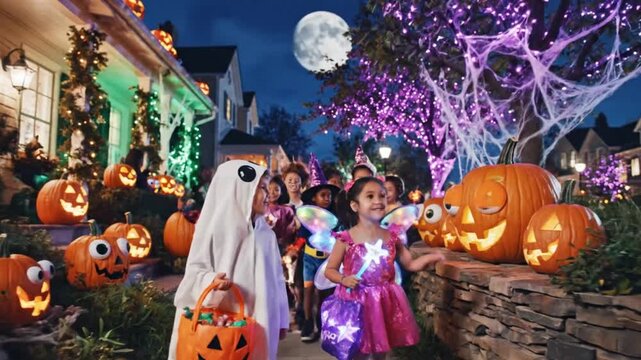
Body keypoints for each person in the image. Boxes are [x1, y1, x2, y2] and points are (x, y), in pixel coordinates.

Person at [168, 160, 289, 360]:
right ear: (240, 190)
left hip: (261, 319)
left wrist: (281, 318)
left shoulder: (266, 234)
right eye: (261, 188)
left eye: (267, 188)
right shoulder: (214, 231)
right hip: (221, 326)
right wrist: (211, 282)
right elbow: (195, 273)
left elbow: (277, 279)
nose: (268, 195)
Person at [325, 177, 445, 359]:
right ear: (355, 206)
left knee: (381, 347)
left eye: (382, 196)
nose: (378, 201)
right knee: (356, 348)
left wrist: (432, 257)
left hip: (383, 301)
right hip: (355, 300)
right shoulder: (345, 239)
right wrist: (343, 279)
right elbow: (330, 269)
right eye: (370, 196)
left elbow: (410, 264)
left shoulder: (392, 237)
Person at [290, 154, 340, 343]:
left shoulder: (334, 216)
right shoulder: (307, 216)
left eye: (329, 195)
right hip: (310, 258)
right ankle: (308, 323)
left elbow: (338, 234)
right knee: (308, 291)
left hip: (327, 260)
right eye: (323, 195)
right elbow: (302, 236)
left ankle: (322, 323)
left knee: (324, 294)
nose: (327, 198)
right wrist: (295, 249)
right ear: (314, 197)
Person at [266, 175, 296, 253]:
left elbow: (289, 231)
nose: (272, 192)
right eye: (269, 189)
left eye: (276, 189)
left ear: (281, 192)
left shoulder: (287, 210)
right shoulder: (259, 208)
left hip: (280, 247)